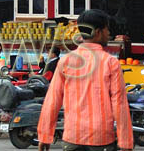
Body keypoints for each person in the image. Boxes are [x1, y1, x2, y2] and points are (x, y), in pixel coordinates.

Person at [37, 9, 133, 151]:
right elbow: (119, 103)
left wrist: (45, 136)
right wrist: (125, 142)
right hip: (101, 139)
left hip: (73, 137)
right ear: (98, 32)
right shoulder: (111, 62)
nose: (109, 34)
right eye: (107, 29)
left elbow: (52, 100)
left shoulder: (66, 61)